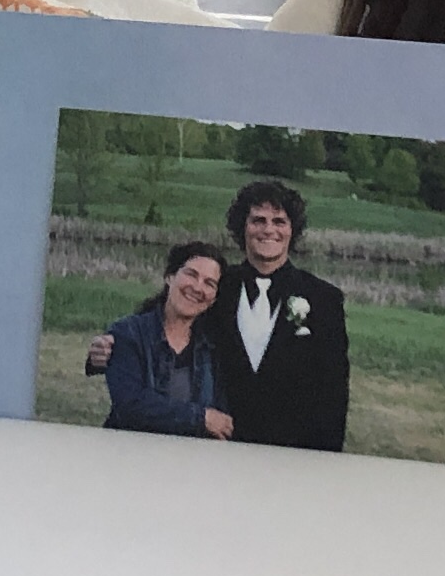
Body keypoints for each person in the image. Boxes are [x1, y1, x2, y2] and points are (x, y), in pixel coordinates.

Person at [213, 176, 351, 451]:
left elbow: (333, 393)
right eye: (258, 220)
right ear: (242, 227)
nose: (268, 230)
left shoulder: (323, 299)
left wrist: (325, 461)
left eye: (279, 221)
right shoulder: (216, 287)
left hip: (291, 454)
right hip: (218, 448)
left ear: (292, 230)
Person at [97, 240, 236, 439]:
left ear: (213, 298)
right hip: (130, 451)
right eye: (191, 274)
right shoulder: (128, 333)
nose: (198, 287)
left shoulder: (214, 347)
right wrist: (200, 418)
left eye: (209, 283)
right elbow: (129, 405)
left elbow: (222, 417)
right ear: (170, 277)